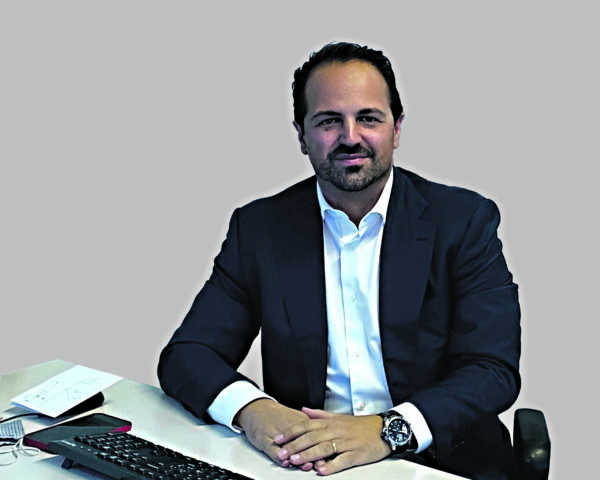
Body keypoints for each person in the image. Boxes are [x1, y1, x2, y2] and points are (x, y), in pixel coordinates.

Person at [158, 42, 521, 480]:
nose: (350, 137)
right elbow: (188, 354)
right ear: (301, 135)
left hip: (441, 463)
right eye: (329, 121)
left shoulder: (463, 221)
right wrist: (253, 410)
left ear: (396, 129)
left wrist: (388, 430)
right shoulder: (260, 229)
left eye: (369, 118)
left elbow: (492, 368)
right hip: (308, 465)